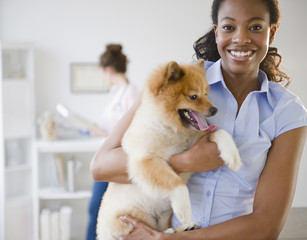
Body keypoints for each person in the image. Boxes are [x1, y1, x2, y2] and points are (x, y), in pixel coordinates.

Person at [90, 0, 307, 239]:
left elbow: (267, 224)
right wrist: (184, 162)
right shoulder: (178, 84)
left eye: (255, 27)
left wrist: (171, 239)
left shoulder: (287, 111)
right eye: (229, 27)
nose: (241, 38)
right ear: (216, 31)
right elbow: (101, 167)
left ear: (272, 31)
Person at [86, 43, 139, 240]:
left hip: (117, 159)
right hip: (107, 155)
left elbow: (131, 132)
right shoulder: (116, 93)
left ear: (108, 70)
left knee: (96, 207)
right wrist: (103, 132)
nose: (102, 77)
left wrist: (104, 134)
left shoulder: (132, 94)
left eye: (102, 73)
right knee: (96, 208)